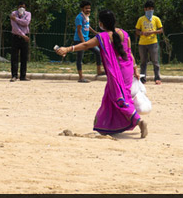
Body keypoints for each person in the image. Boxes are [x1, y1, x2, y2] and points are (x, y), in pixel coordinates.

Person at [56, 10, 148, 138]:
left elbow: (86, 44)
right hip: (127, 70)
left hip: (116, 72)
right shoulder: (124, 34)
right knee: (112, 96)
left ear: (102, 23)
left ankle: (139, 121)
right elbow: (130, 53)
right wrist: (135, 70)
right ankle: (108, 127)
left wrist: (67, 49)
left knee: (120, 99)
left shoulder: (103, 37)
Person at [73, 0, 104, 83]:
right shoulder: (79, 17)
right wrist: (84, 43)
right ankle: (80, 77)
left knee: (98, 51)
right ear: (82, 8)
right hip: (79, 40)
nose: (88, 10)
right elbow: (79, 31)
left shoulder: (86, 16)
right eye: (86, 8)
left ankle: (99, 71)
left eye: (89, 8)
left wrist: (95, 32)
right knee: (80, 58)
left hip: (86, 39)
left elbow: (87, 26)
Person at [135, 0, 163, 84]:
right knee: (143, 62)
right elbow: (137, 30)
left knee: (155, 61)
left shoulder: (156, 19)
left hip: (153, 42)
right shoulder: (141, 19)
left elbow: (161, 30)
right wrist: (141, 33)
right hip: (142, 43)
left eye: (151, 8)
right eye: (148, 9)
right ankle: (143, 79)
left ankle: (157, 78)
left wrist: (153, 32)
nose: (150, 10)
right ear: (145, 9)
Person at [10, 1, 31, 82]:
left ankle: (23, 76)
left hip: (25, 37)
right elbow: (15, 27)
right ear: (17, 7)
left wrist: (16, 19)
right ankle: (14, 76)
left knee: (24, 57)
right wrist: (23, 35)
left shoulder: (28, 14)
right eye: (20, 6)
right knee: (14, 57)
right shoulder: (13, 14)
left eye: (23, 7)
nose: (22, 8)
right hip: (16, 37)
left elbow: (26, 23)